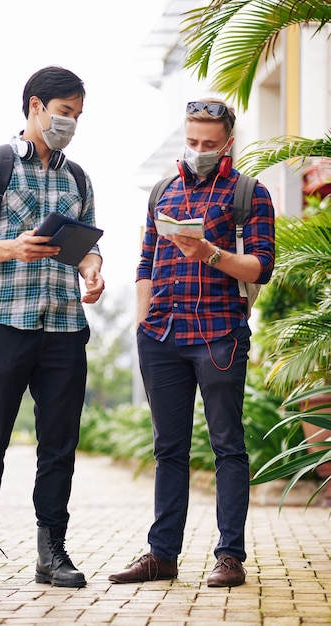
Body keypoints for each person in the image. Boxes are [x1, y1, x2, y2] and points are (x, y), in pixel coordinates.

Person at [109, 98, 275, 587]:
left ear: (228, 141)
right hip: (161, 336)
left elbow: (260, 265)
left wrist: (210, 253)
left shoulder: (249, 194)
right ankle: (162, 555)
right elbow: (145, 262)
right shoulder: (162, 190)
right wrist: (143, 322)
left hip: (219, 335)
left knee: (227, 446)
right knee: (169, 450)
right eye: (192, 140)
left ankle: (230, 556)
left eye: (209, 142)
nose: (198, 149)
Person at [0, 65, 105, 592]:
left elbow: (87, 245)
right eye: (65, 113)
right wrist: (11, 248)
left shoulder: (78, 178)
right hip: (5, 322)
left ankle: (51, 552)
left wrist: (92, 269)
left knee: (59, 444)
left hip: (64, 324)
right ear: (36, 106)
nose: (71, 124)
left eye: (78, 116)